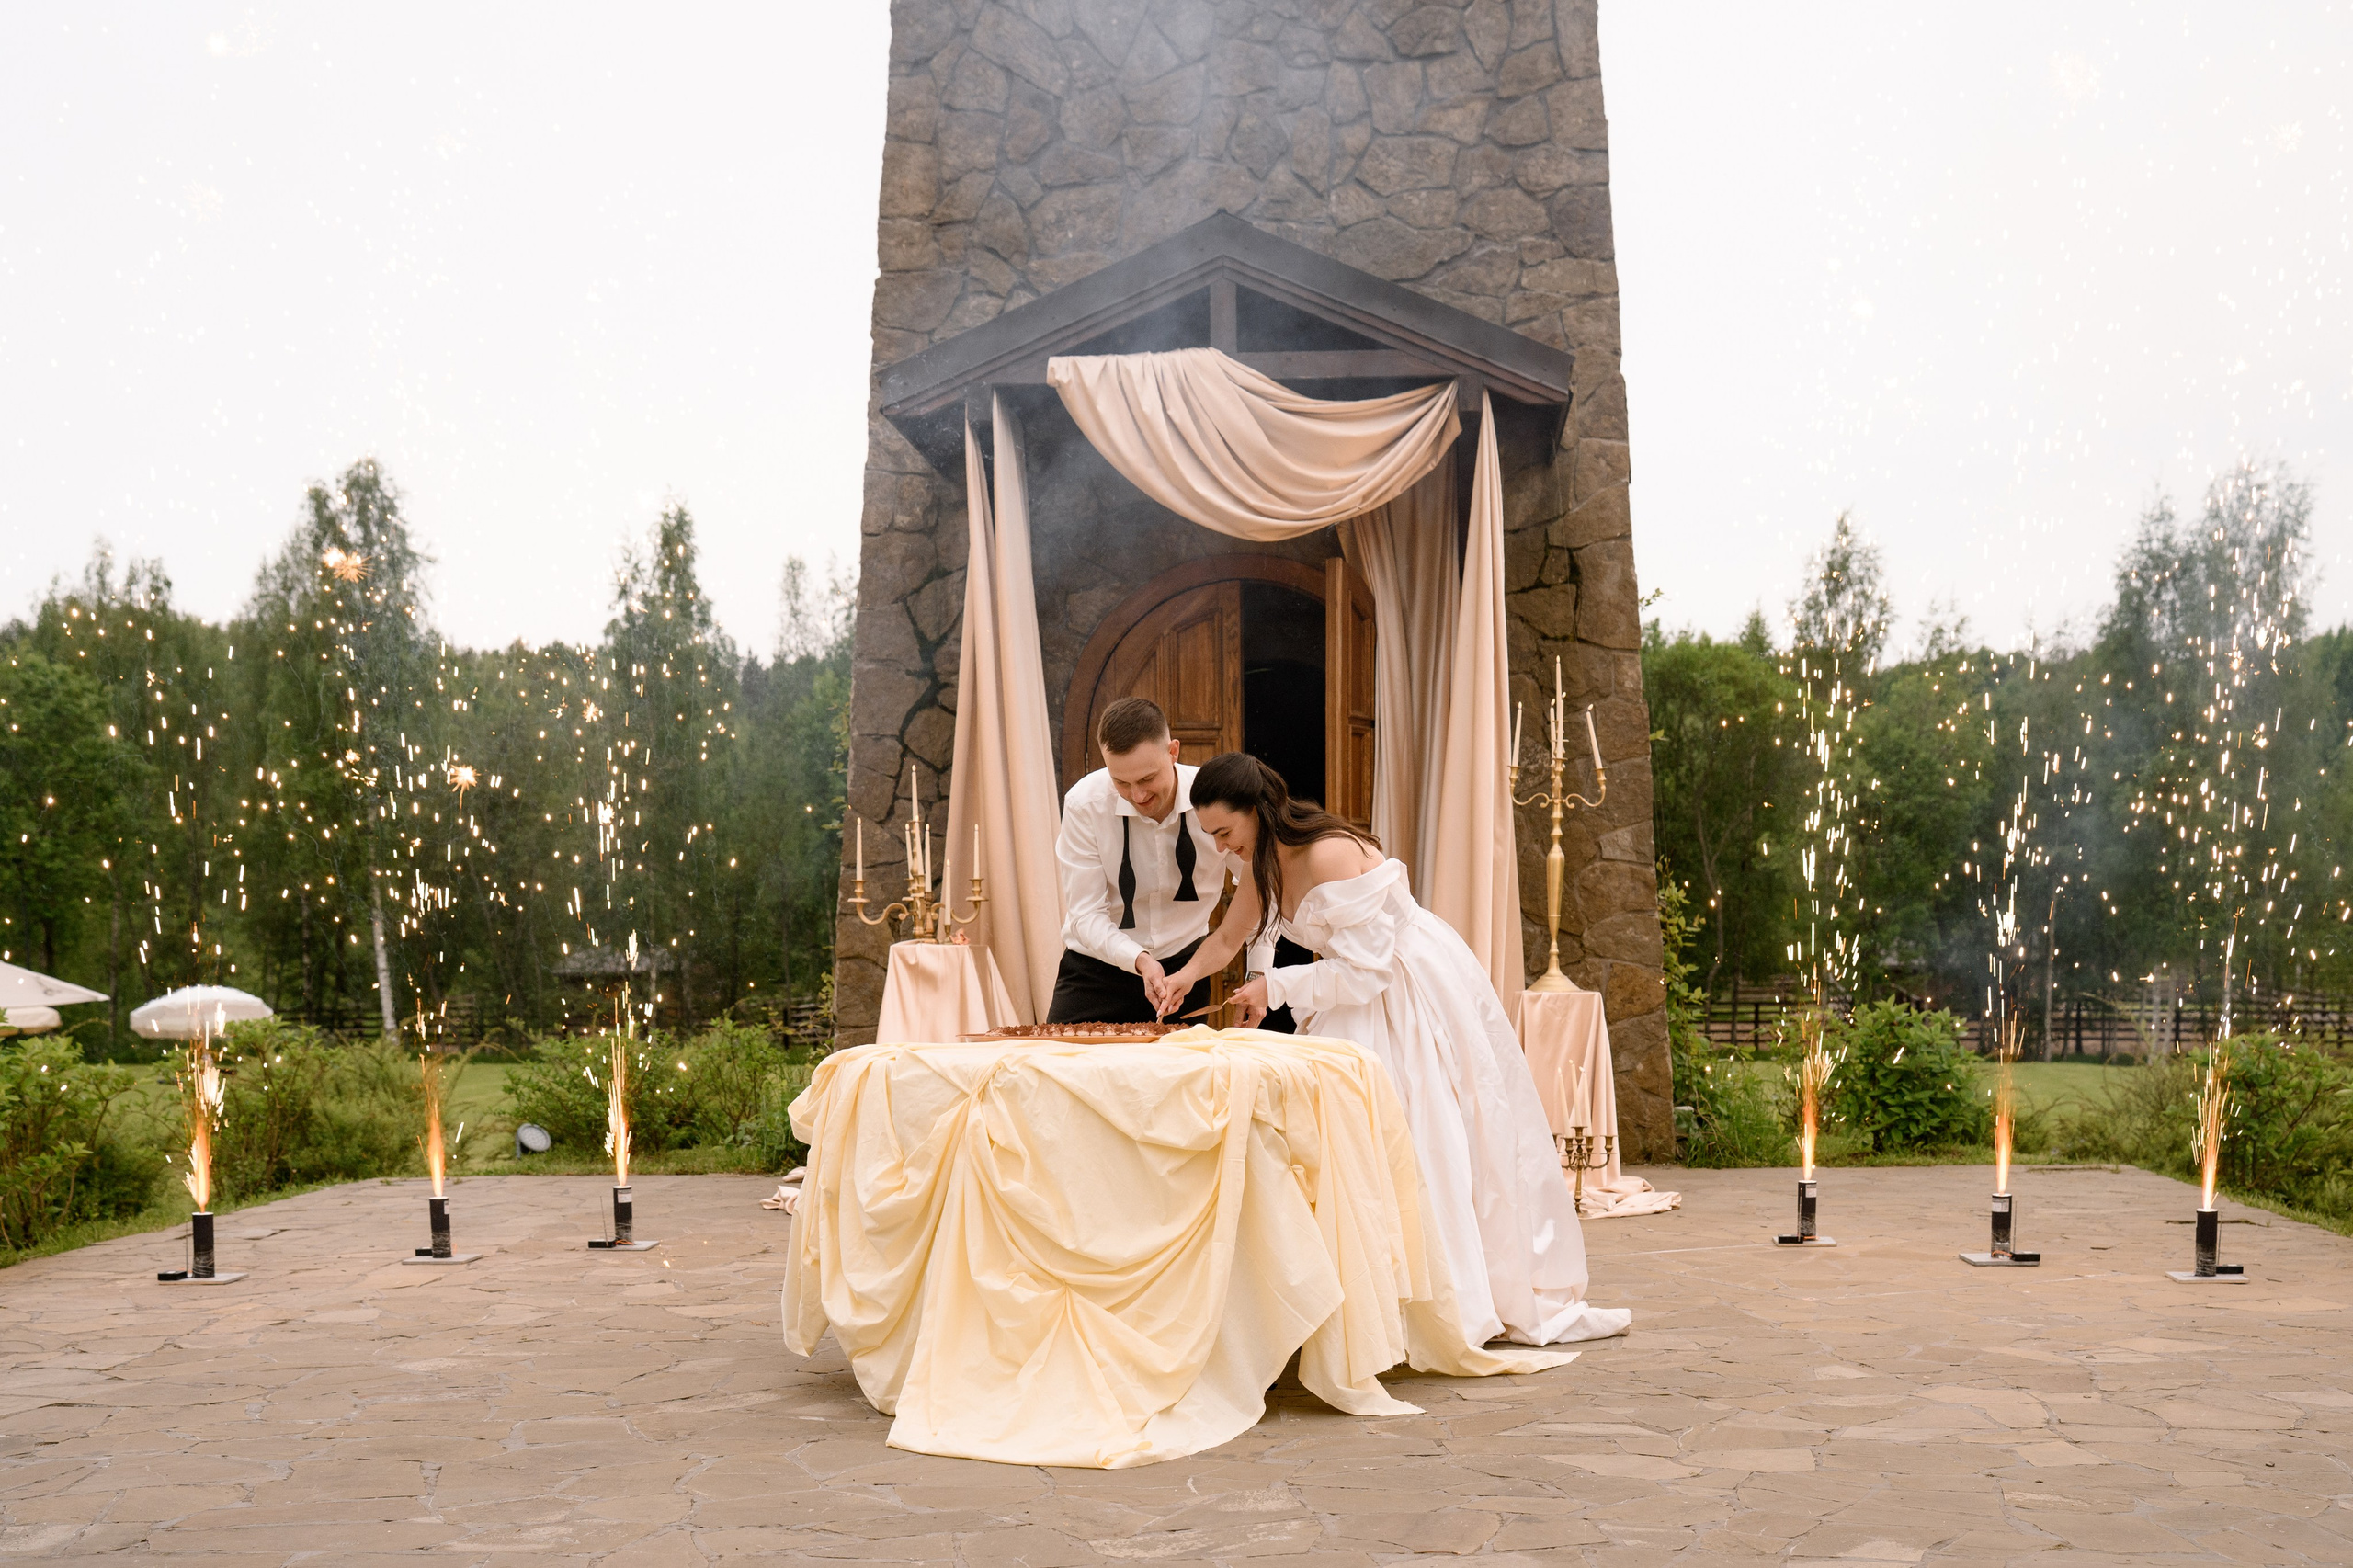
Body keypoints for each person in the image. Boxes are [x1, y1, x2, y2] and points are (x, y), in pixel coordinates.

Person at [1156, 751, 1630, 1349]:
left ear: (1259, 811)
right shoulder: (1261, 864)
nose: (1222, 848)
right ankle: (1363, 1307)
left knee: (1422, 1135)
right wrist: (1179, 979)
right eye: (1212, 837)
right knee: (1344, 1143)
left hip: (1405, 989)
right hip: (1353, 988)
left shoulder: (1329, 854)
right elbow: (1228, 936)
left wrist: (1275, 986)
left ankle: (1446, 1301)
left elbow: (1367, 973)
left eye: (1225, 833)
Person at [1048, 698, 1276, 1025]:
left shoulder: (1213, 799)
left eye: (1146, 779)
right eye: (1121, 782)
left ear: (1173, 752)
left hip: (1184, 975)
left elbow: (1264, 884)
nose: (1137, 795)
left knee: (1181, 1076)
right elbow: (1085, 914)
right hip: (1094, 975)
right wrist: (1139, 959)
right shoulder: (1085, 804)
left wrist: (1258, 973)